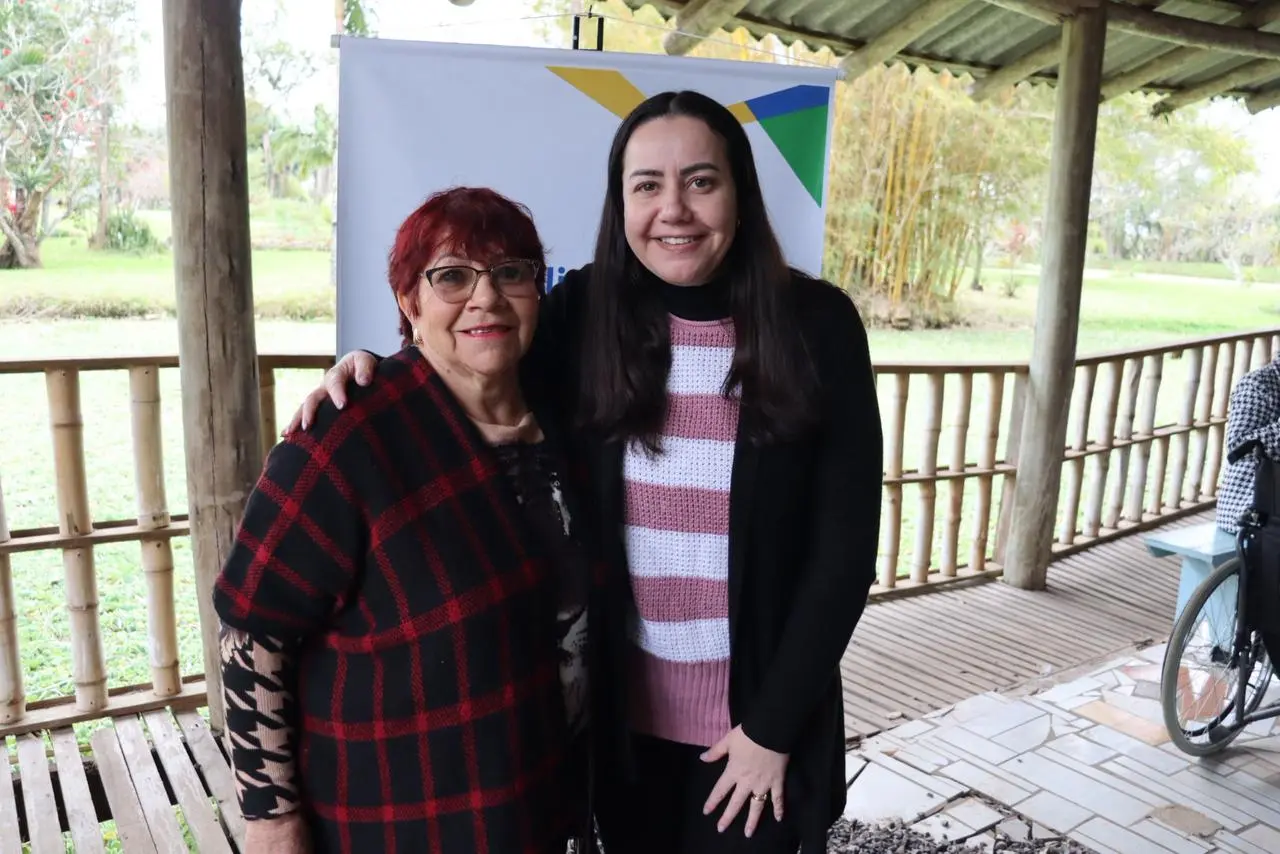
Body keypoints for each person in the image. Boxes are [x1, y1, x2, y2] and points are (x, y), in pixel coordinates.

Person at [291, 90, 883, 854]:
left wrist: (772, 729)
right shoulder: (586, 309)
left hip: (755, 729)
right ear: (621, 200)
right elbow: (474, 357)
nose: (674, 209)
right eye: (648, 186)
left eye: (701, 181)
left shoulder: (818, 325)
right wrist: (379, 366)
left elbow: (844, 555)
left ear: (739, 192)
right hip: (617, 732)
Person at [214, 186, 598, 854]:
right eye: (451, 276)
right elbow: (253, 631)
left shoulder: (568, 419)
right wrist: (271, 818)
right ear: (408, 302)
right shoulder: (348, 435)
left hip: (539, 806)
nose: (486, 297)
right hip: (396, 819)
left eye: (511, 273)